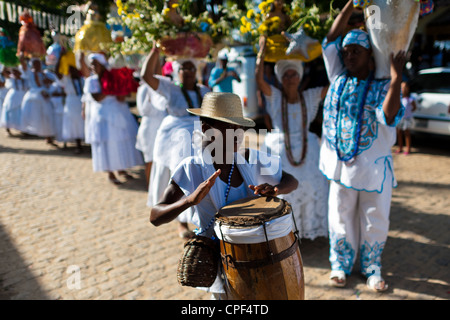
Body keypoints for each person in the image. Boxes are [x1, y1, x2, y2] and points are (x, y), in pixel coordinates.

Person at [149, 92, 298, 299]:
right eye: (229, 128)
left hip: (262, 254)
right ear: (206, 130)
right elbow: (155, 216)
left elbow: (291, 181)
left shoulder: (249, 158)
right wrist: (189, 201)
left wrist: (275, 190)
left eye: (239, 128)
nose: (237, 134)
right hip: (222, 263)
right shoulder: (192, 168)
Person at [319, 0, 406, 291]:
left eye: (356, 50)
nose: (348, 56)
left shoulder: (382, 84)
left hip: (373, 170)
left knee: (374, 217)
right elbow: (330, 38)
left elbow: (390, 114)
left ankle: (372, 267)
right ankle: (340, 266)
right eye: (346, 52)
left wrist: (396, 77)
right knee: (340, 214)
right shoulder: (337, 77)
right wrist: (349, 4)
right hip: (340, 166)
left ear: (371, 55)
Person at [256, 36, 330, 240]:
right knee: (281, 190)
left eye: (293, 74)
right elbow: (259, 80)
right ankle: (283, 232)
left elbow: (331, 86)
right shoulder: (276, 97)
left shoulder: (309, 96)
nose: (290, 78)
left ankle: (306, 229)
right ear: (281, 78)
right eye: (286, 75)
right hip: (279, 149)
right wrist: (262, 53)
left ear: (299, 77)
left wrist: (329, 51)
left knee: (311, 188)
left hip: (308, 151)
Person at [141, 43, 210, 239]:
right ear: (176, 71)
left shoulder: (205, 90)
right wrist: (155, 50)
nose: (187, 72)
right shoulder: (170, 88)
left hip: (202, 137)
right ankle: (181, 222)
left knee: (202, 174)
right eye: (183, 69)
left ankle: (201, 216)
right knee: (180, 175)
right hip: (177, 139)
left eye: (191, 68)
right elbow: (147, 77)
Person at [80, 52, 143, 185]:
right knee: (107, 144)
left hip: (119, 113)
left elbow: (121, 97)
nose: (92, 66)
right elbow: (97, 98)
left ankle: (121, 168)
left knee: (120, 142)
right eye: (91, 64)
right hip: (102, 117)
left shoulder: (114, 77)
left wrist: (120, 85)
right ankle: (110, 172)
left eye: (95, 64)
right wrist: (110, 87)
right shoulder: (91, 81)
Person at [20, 57, 56, 146]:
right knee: (31, 115)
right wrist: (22, 55)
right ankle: (28, 131)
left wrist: (48, 80)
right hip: (33, 96)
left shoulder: (46, 73)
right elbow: (23, 64)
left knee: (47, 115)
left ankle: (48, 136)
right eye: (35, 63)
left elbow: (55, 81)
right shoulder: (29, 73)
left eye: (38, 63)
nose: (37, 65)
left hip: (44, 96)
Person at [60, 64, 85, 154]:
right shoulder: (66, 80)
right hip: (71, 103)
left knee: (81, 122)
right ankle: (76, 144)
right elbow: (58, 73)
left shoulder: (82, 79)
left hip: (81, 101)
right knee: (72, 123)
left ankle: (82, 142)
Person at [0, 66, 27, 136]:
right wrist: (6, 63)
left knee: (20, 113)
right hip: (12, 98)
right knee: (10, 111)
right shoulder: (11, 79)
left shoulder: (24, 80)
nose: (15, 73)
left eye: (17, 72)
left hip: (22, 97)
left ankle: (22, 128)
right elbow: (4, 72)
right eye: (14, 72)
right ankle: (8, 128)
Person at [396, 81, 416, 155]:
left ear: (408, 88)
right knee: (399, 133)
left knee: (407, 133)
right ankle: (400, 147)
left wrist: (409, 113)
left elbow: (414, 107)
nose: (403, 89)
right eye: (402, 87)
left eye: (405, 87)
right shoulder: (399, 98)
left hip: (407, 119)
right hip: (400, 118)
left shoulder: (410, 99)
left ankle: (408, 148)